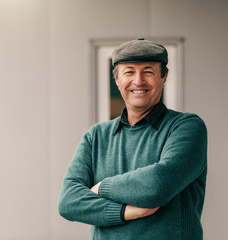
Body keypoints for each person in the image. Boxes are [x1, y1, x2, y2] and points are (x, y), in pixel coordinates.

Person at [58, 38, 207, 240]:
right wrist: (128, 211)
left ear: (164, 77)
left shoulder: (186, 127)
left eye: (148, 71)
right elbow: (69, 201)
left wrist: (101, 187)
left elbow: (158, 185)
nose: (138, 81)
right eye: (129, 72)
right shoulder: (96, 136)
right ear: (117, 80)